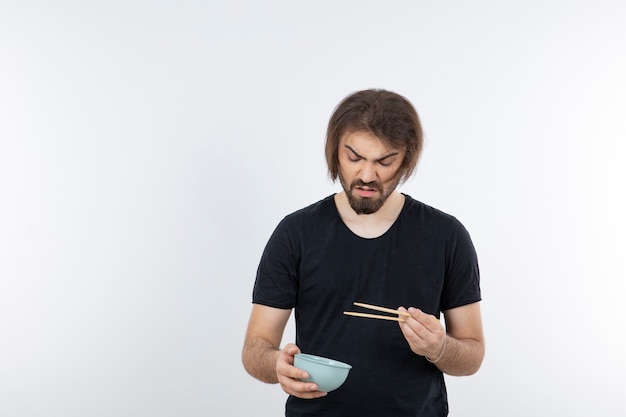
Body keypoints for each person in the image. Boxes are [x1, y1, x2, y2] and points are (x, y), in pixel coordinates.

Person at [242, 89, 484, 417]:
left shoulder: (446, 235)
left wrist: (440, 348)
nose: (367, 176)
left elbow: (472, 354)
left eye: (385, 161)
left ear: (406, 159)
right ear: (334, 153)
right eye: (354, 157)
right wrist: (277, 365)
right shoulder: (295, 233)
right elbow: (256, 348)